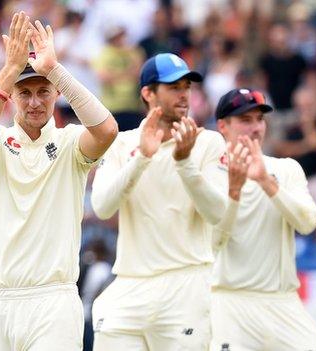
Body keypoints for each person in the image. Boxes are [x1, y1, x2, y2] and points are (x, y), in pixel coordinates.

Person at [0, 12, 118, 350]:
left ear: (56, 94)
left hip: (52, 300)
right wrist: (8, 72)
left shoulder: (70, 143)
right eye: (25, 92)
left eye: (44, 91)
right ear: (12, 96)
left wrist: (55, 71)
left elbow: (107, 131)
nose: (34, 102)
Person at [90, 53, 227, 350]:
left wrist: (185, 163)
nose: (184, 94)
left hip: (186, 283)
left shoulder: (208, 143)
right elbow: (102, 206)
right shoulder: (122, 144)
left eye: (186, 86)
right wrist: (142, 158)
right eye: (174, 87)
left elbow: (218, 213)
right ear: (148, 93)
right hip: (130, 281)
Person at [210, 88, 316, 351]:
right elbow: (212, 241)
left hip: (283, 301)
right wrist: (234, 191)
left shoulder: (286, 169)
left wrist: (266, 182)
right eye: (246, 120)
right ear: (223, 126)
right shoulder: (209, 173)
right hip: (230, 302)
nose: (256, 127)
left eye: (260, 119)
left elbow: (307, 223)